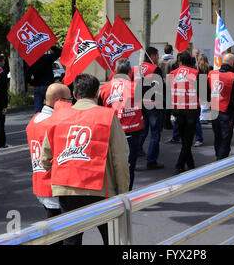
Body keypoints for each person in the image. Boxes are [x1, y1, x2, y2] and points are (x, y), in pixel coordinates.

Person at [40, 73, 129, 245]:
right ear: (97, 93)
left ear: (74, 94)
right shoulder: (107, 116)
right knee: (112, 238)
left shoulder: (57, 117)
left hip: (66, 188)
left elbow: (45, 157)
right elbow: (120, 158)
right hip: (100, 188)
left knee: (71, 240)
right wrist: (123, 190)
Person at [25, 82, 71, 244]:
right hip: (54, 186)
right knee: (58, 234)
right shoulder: (55, 123)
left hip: (40, 182)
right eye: (69, 99)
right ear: (60, 101)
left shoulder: (34, 119)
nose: (72, 103)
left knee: (53, 228)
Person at [99, 58, 143, 190]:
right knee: (129, 167)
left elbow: (100, 109)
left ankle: (114, 195)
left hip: (110, 132)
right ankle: (127, 194)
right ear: (130, 72)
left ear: (115, 71)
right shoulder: (136, 86)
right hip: (132, 133)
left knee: (112, 166)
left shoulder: (105, 87)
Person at [167, 50, 209, 175]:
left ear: (179, 61)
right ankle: (179, 165)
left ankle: (190, 164)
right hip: (192, 110)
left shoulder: (172, 73)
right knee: (187, 140)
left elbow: (168, 94)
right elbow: (204, 92)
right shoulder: (196, 73)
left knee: (185, 139)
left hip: (177, 110)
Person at [136, 46, 165, 170]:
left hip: (139, 102)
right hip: (153, 103)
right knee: (155, 132)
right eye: (157, 55)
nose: (158, 58)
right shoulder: (155, 69)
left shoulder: (137, 69)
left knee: (142, 130)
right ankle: (151, 160)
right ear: (152, 56)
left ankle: (135, 152)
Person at [208, 53, 234, 160]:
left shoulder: (211, 73)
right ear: (232, 63)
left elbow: (207, 93)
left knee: (217, 136)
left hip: (214, 109)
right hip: (227, 111)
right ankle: (221, 162)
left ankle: (219, 157)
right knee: (225, 138)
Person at [27, 45, 62, 113]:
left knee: (38, 110)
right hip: (48, 86)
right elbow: (59, 52)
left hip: (37, 86)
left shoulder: (31, 61)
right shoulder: (47, 58)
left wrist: (33, 83)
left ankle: (39, 122)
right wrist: (50, 45)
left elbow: (27, 76)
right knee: (51, 107)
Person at [194, 53, 212, 146]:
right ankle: (204, 117)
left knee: (200, 103)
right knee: (205, 102)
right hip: (207, 86)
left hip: (199, 87)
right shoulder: (210, 67)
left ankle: (202, 117)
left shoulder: (197, 68)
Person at [158, 44, 175, 130]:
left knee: (162, 105)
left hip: (160, 84)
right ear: (171, 51)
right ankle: (167, 123)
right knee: (168, 106)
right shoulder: (173, 61)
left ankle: (161, 123)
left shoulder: (159, 61)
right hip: (170, 85)